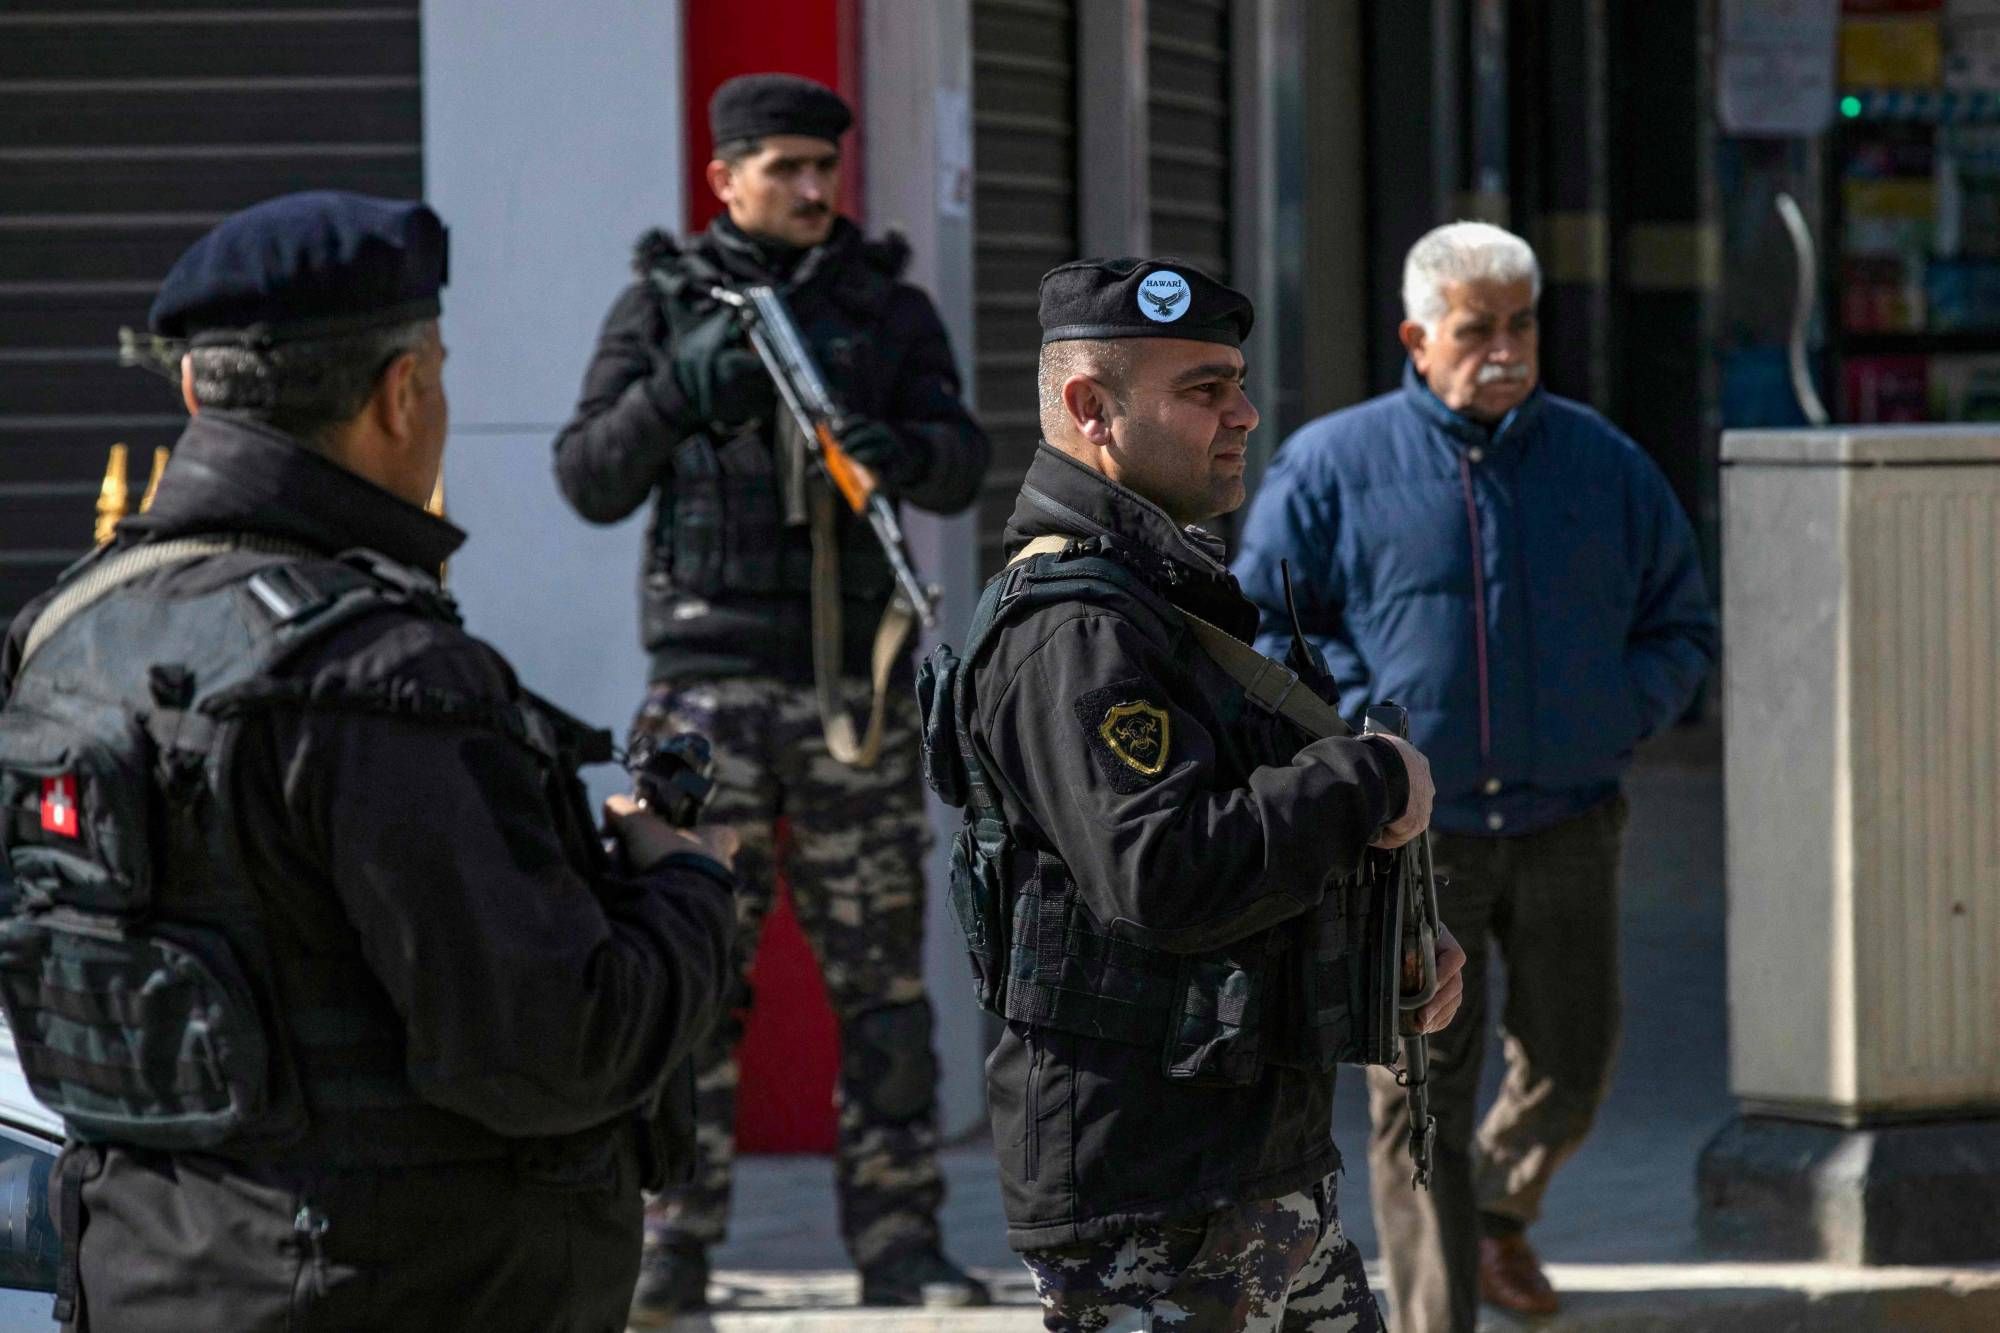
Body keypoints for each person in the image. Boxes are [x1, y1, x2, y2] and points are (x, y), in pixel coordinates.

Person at [0, 191, 740, 1332]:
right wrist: (685, 882)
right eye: (435, 375)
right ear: (402, 393)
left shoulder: (60, 635)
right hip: (390, 1289)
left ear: (195, 391)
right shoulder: (383, 676)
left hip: (141, 1281)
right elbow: (553, 1048)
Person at [922, 256, 1468, 1332]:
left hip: (1254, 1166)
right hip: (1150, 1198)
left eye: (1238, 384)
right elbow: (1165, 873)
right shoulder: (1074, 631)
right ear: (1093, 410)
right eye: (1203, 389)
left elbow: (1245, 842)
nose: (1243, 414)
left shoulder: (1163, 600)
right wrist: (1363, 781)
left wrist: (1394, 935)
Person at [551, 73, 991, 1316]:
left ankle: (900, 1242)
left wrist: (894, 447)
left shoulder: (882, 307)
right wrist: (679, 389)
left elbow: (961, 462)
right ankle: (671, 1247)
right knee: (689, 978)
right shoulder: (664, 304)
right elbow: (586, 475)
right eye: (784, 167)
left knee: (884, 995)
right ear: (724, 178)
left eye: (822, 167)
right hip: (704, 695)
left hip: (850, 691)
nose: (809, 188)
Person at [1234, 221, 1719, 1330]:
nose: (1503, 350)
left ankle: (1496, 1207)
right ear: (1417, 338)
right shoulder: (1334, 463)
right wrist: (1365, 738)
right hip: (1412, 833)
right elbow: (1268, 627)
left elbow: (1680, 624)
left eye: (1521, 325)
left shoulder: (1604, 461)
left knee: (1573, 1065)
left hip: (1568, 819)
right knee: (1419, 1098)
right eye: (1475, 329)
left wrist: (1612, 716)